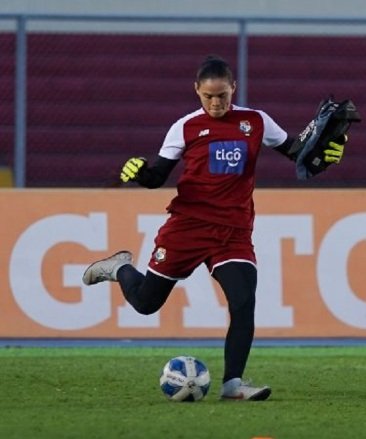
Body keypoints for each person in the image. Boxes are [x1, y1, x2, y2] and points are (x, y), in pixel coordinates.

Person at [82, 55, 350, 401]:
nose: (215, 102)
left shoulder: (256, 121)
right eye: (208, 96)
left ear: (233, 88)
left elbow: (300, 156)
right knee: (146, 304)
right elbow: (156, 178)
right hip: (188, 227)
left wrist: (329, 152)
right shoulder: (185, 127)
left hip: (234, 232)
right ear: (197, 91)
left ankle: (233, 384)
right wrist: (138, 171)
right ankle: (119, 267)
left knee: (243, 302)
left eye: (222, 95)